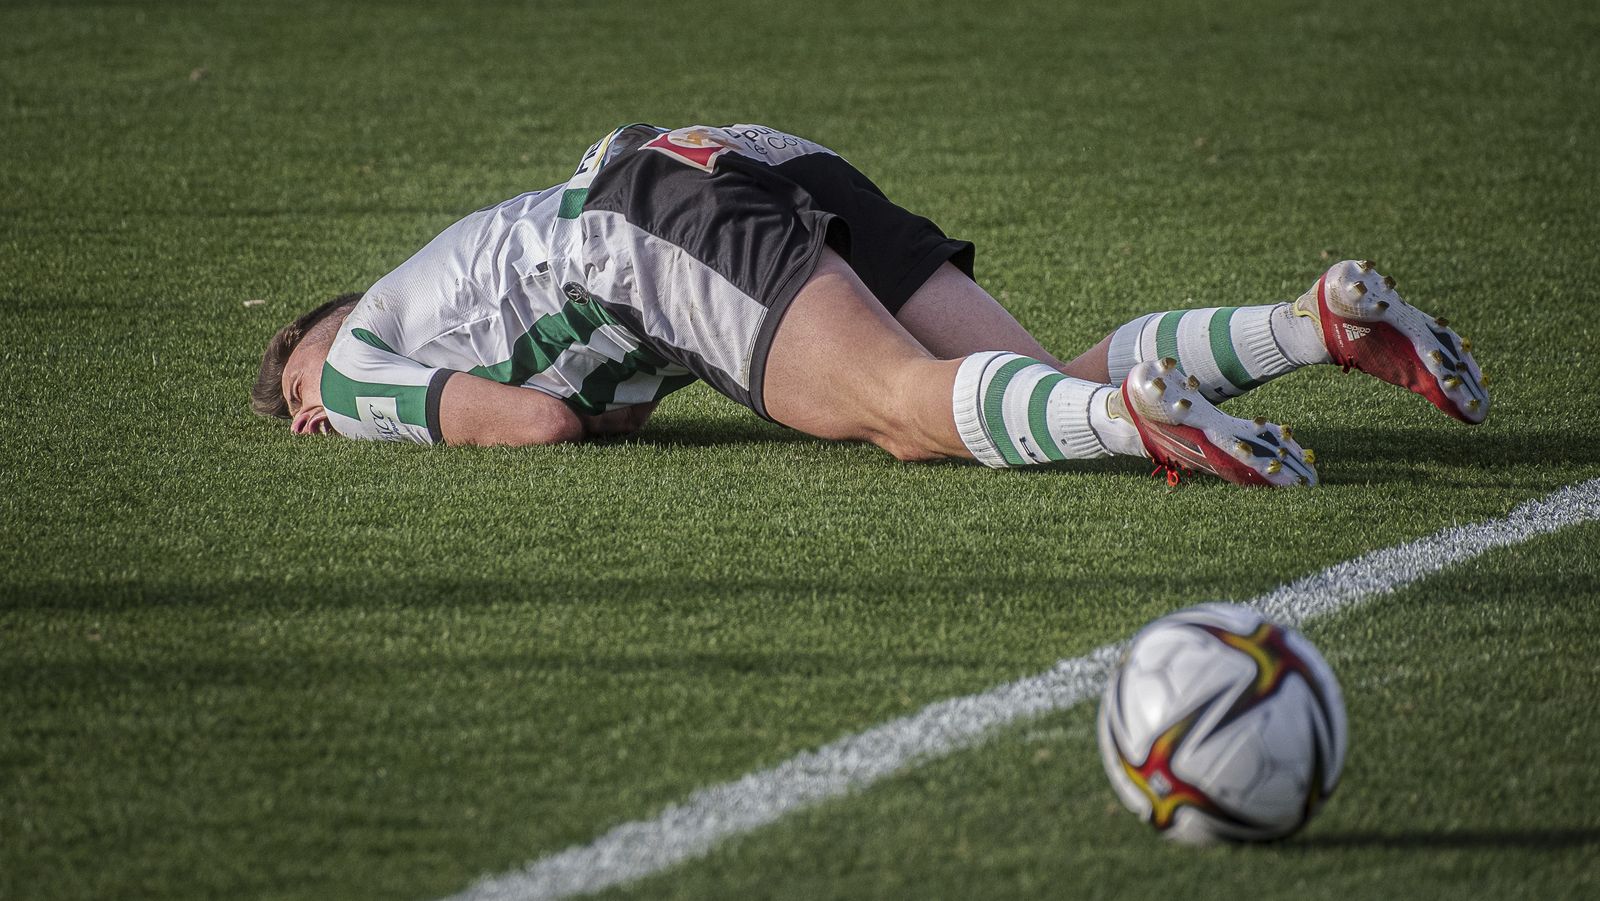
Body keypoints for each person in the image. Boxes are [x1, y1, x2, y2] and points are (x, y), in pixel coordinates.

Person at [251, 123, 1488, 487]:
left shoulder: (358, 371)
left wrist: (352, 399)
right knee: (1042, 386)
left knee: (905, 412)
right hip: (727, 148)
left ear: (317, 358)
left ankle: (1141, 426)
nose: (313, 417)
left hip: (638, 221)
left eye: (296, 394)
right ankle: (1311, 324)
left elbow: (538, 428)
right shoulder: (444, 277)